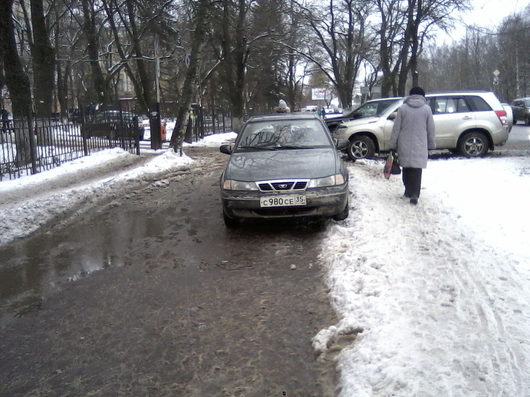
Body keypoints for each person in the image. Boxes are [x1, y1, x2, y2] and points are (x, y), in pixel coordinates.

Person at [389, 86, 435, 205]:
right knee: (417, 170)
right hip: (420, 144)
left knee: (406, 168)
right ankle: (415, 194)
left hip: (404, 143)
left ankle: (408, 190)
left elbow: (396, 128)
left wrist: (392, 144)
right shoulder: (427, 109)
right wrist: (431, 145)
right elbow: (431, 129)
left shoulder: (403, 109)